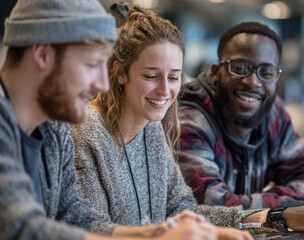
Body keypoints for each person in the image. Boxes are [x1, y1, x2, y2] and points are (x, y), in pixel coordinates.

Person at [71, 4, 304, 237]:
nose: (165, 91)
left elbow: (185, 211)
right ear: (119, 72)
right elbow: (92, 230)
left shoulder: (153, 130)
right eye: (151, 76)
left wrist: (272, 217)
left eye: (174, 77)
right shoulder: (87, 133)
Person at [0, 0, 221, 239]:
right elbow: (20, 228)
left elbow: (75, 216)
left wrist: (155, 232)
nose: (102, 85)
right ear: (42, 54)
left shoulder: (54, 128)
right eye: (92, 65)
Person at [177, 22, 304, 210]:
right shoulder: (191, 117)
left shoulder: (274, 114)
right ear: (216, 73)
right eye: (239, 68)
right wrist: (284, 208)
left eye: (266, 72)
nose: (252, 82)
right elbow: (210, 205)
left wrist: (265, 206)